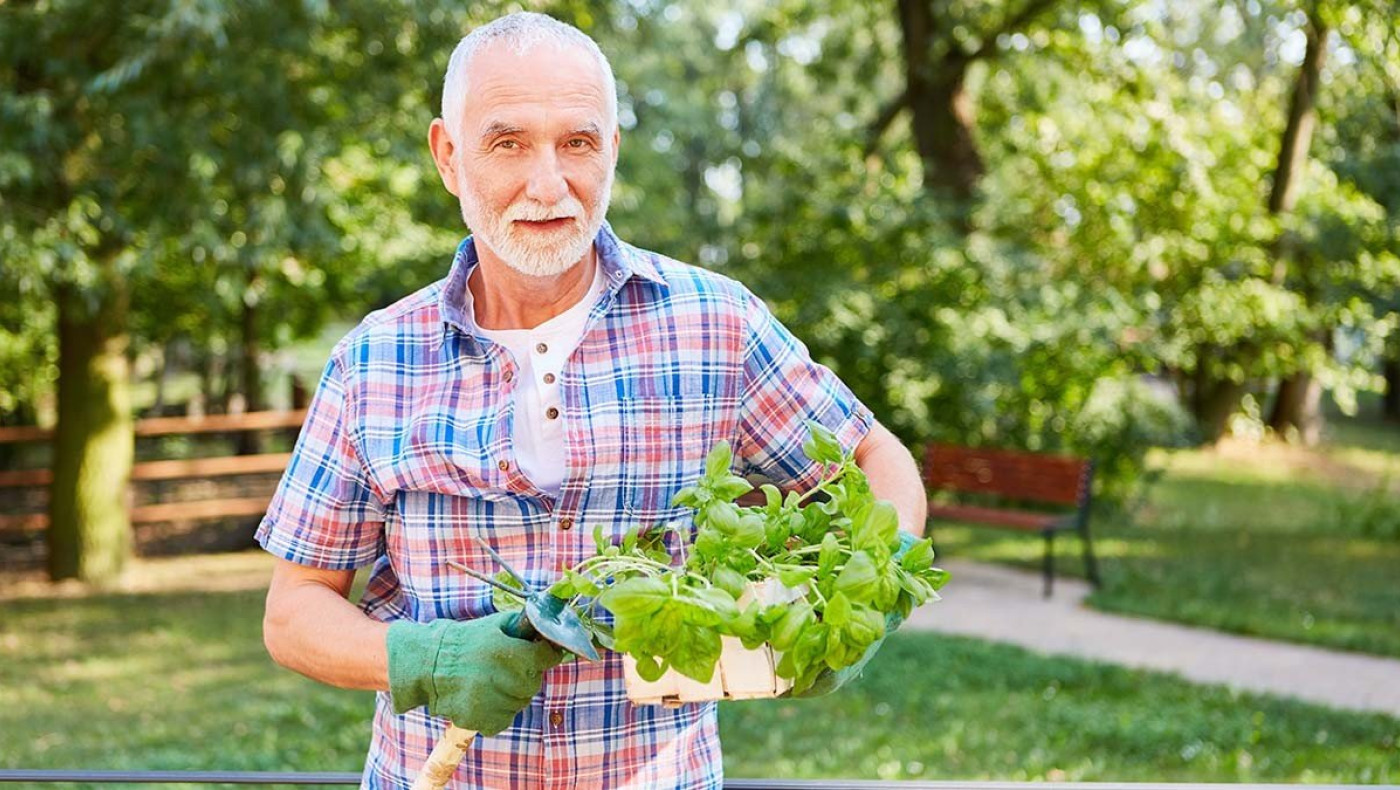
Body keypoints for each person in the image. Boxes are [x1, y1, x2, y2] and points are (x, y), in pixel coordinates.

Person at [258, 12, 927, 790]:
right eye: (507, 143)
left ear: (611, 150)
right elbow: (294, 611)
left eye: (577, 143)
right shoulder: (374, 359)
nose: (548, 185)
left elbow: (874, 458)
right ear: (448, 155)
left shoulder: (715, 324)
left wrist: (870, 588)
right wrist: (422, 658)